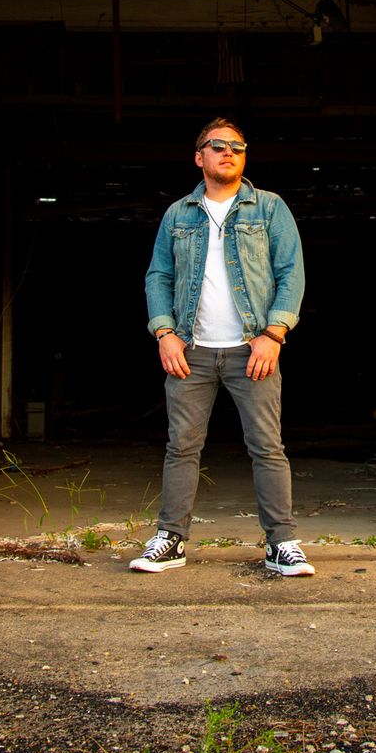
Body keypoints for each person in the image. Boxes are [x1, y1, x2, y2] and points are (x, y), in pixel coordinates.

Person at [133, 117, 312, 576]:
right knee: (181, 447)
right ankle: (171, 539)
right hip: (190, 352)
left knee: (267, 447)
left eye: (237, 146)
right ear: (200, 157)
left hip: (253, 351)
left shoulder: (268, 207)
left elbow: (291, 273)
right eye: (217, 145)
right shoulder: (178, 214)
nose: (228, 151)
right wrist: (164, 333)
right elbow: (159, 276)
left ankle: (281, 543)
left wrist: (274, 334)